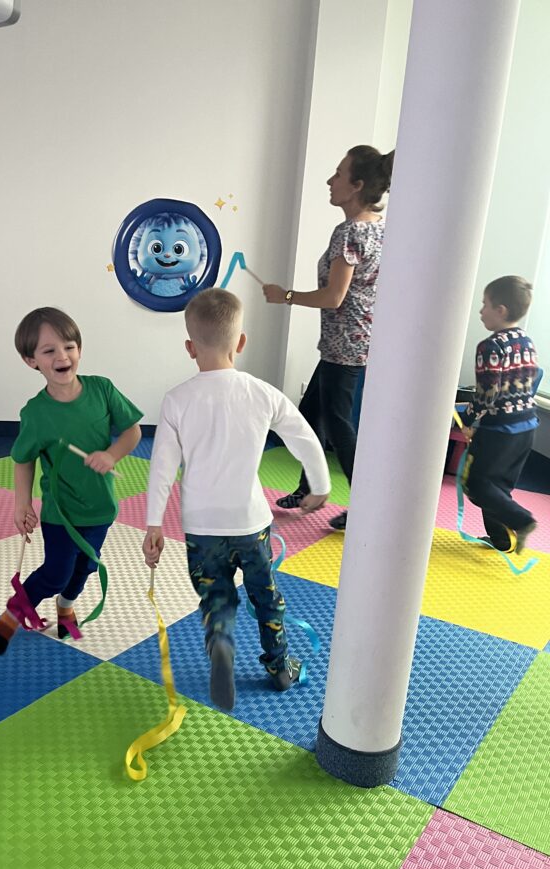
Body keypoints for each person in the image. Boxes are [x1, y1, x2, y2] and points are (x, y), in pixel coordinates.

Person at [142, 288, 330, 712]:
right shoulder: (262, 393)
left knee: (217, 598)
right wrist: (318, 487)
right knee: (266, 596)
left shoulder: (177, 399)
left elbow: (161, 468)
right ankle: (279, 666)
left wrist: (153, 523)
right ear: (241, 342)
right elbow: (305, 438)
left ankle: (222, 646)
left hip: (201, 528)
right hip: (250, 523)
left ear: (190, 347)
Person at [0, 307, 142, 653]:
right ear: (32, 361)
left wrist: (111, 455)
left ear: (79, 350)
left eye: (69, 347)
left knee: (85, 568)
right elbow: (23, 459)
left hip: (100, 507)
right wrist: (22, 504)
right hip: (60, 512)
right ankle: (15, 612)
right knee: (57, 572)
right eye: (49, 350)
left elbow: (132, 431)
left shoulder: (102, 389)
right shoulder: (35, 413)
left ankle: (66, 606)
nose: (62, 356)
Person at [263, 145, 394, 530]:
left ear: (357, 185)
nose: (329, 181)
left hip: (346, 348)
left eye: (338, 174)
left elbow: (334, 297)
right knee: (311, 415)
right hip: (352, 342)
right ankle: (310, 488)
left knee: (338, 426)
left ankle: (365, 506)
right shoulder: (379, 228)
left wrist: (285, 296)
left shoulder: (350, 232)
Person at [460, 276, 539, 554]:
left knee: (477, 484)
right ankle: (502, 539)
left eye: (485, 305)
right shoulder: (526, 340)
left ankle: (522, 520)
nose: (481, 311)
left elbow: (487, 394)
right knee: (498, 488)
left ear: (501, 310)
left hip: (501, 430)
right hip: (527, 426)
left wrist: (467, 420)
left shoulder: (490, 346)